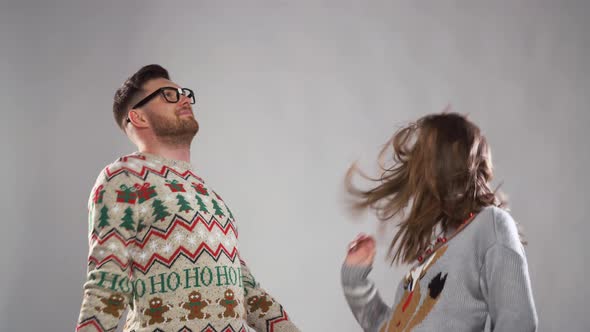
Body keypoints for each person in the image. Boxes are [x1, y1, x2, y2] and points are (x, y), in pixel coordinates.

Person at [76, 64, 299, 332]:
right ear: (138, 118)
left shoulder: (208, 195)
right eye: (168, 95)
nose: (183, 99)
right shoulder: (123, 178)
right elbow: (107, 283)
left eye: (183, 93)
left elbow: (247, 291)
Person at [341, 112, 538, 331]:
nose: (416, 169)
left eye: (423, 157)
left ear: (447, 162)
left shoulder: (490, 226)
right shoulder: (440, 248)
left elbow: (518, 322)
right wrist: (354, 280)